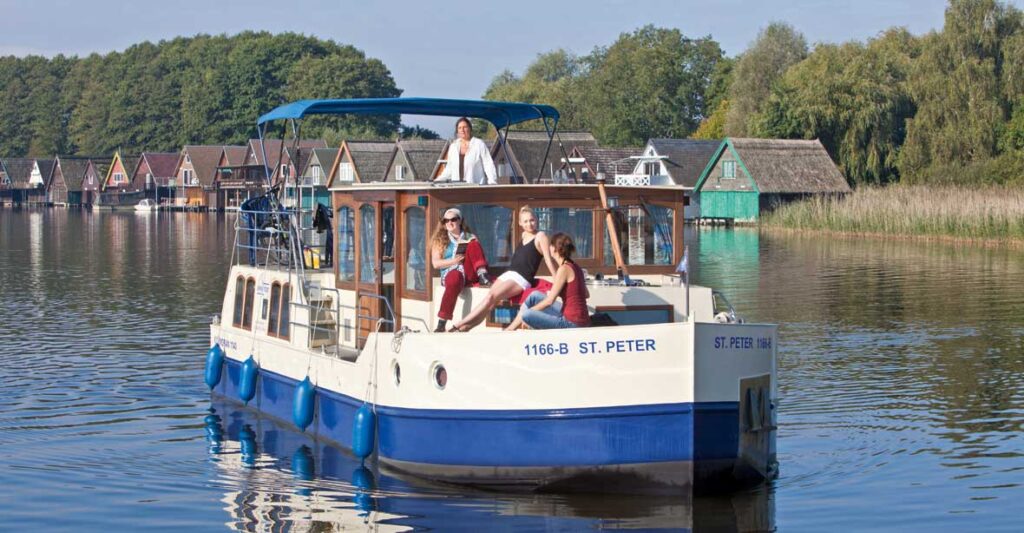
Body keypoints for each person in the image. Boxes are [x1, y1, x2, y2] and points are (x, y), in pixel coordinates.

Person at [449, 206, 557, 331]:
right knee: (489, 302)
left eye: (532, 220)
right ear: (520, 223)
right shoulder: (523, 234)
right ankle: (465, 328)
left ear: (536, 220)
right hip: (509, 273)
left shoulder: (541, 236)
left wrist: (557, 279)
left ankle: (458, 324)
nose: (529, 224)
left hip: (521, 278)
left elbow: (548, 260)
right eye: (526, 221)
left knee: (490, 298)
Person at [506, 233, 591, 330]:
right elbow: (586, 294)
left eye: (551, 245)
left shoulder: (563, 269)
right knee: (534, 296)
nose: (549, 247)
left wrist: (531, 312)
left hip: (571, 323)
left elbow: (549, 301)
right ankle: (510, 329)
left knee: (526, 315)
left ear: (554, 249)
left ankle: (512, 330)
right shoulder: (576, 266)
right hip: (581, 319)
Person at [431, 208, 491, 332]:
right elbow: (436, 263)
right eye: (446, 220)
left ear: (460, 221)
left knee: (473, 243)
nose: (450, 222)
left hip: (469, 272)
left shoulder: (470, 237)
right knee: (454, 278)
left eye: (453, 219)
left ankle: (482, 275)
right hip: (451, 273)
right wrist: (453, 261)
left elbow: (478, 255)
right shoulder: (440, 240)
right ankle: (442, 322)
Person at [435, 117, 498, 184]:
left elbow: (488, 164)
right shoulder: (453, 147)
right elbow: (449, 170)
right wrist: (436, 181)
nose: (462, 130)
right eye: (459, 128)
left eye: (465, 127)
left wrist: (492, 182)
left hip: (475, 187)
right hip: (456, 188)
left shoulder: (479, 144)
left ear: (470, 129)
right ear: (457, 131)